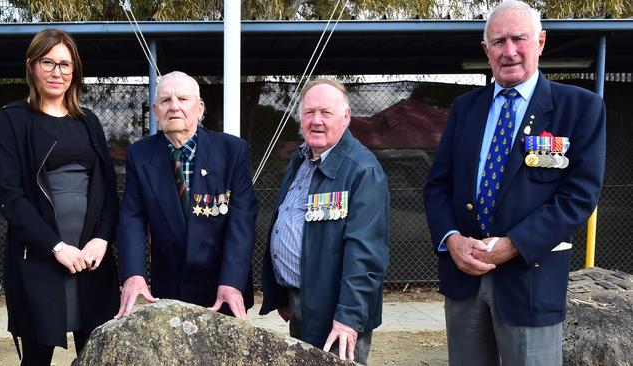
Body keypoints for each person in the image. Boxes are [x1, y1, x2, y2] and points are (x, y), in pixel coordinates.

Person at [423, 1, 606, 365]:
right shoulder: (465, 108)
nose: (509, 51)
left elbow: (579, 196)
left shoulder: (579, 107)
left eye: (519, 39)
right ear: (485, 50)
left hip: (530, 281)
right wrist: (452, 240)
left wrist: (515, 244)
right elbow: (438, 186)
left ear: (540, 42)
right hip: (464, 279)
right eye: (499, 41)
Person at [0, 29, 120, 365]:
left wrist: (102, 239)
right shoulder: (12, 119)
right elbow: (10, 196)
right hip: (39, 258)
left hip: (92, 258)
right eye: (48, 62)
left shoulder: (89, 121)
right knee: (37, 355)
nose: (56, 72)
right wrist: (55, 247)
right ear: (32, 66)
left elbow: (107, 188)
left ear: (74, 71)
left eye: (65, 64)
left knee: (96, 353)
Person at [259, 79, 390, 364]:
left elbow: (365, 255)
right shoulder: (302, 161)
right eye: (309, 112)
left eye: (326, 113)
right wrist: (282, 293)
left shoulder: (361, 170)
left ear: (346, 117)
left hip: (337, 313)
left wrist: (348, 319)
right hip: (300, 302)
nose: (316, 121)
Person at [115, 71, 259, 320]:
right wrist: (133, 275)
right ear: (155, 110)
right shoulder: (139, 155)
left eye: (183, 99)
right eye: (166, 100)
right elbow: (132, 218)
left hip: (222, 289)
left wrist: (232, 281)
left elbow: (241, 221)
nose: (174, 107)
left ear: (200, 108)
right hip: (169, 289)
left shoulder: (233, 151)